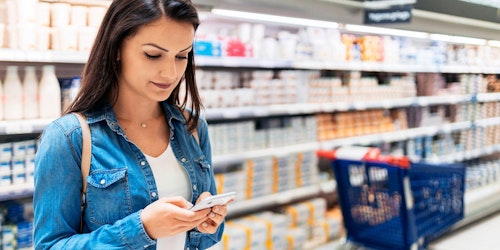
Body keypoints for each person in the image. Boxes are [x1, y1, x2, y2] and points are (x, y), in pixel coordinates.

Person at [33, 0, 228, 249]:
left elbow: (208, 237)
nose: (170, 73)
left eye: (181, 56)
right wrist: (142, 229)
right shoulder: (69, 137)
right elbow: (50, 245)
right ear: (116, 48)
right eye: (153, 55)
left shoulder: (192, 126)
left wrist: (207, 221)